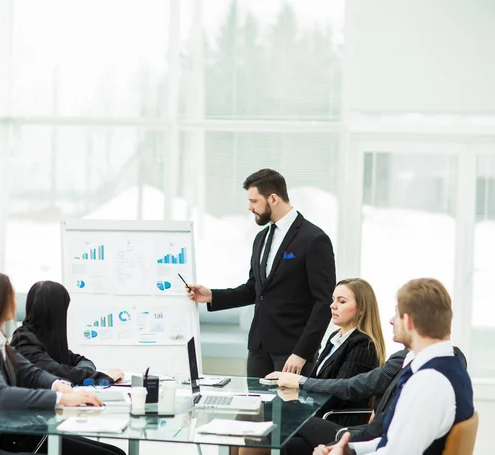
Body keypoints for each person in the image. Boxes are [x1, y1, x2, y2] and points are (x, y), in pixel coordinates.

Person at [0, 270, 125, 455]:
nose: (16, 302)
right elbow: (0, 394)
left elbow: (31, 371)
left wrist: (59, 385)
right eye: (12, 295)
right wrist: (61, 399)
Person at [187, 168, 336, 377]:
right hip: (258, 349)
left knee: (290, 410)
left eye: (254, 201)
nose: (249, 207)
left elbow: (324, 302)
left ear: (273, 198)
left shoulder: (314, 239)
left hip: (292, 352)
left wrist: (303, 352)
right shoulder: (261, 238)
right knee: (254, 409)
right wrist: (212, 295)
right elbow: (254, 289)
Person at [313, 278, 474, 455]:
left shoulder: (428, 382)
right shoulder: (449, 364)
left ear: (408, 321)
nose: (391, 321)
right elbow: (391, 443)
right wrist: (349, 450)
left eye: (397, 314)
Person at [267, 278, 386, 427]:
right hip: (316, 415)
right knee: (258, 417)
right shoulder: (335, 338)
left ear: (361, 309)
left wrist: (297, 383)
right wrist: (288, 383)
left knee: (267, 423)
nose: (332, 306)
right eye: (333, 300)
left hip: (335, 423)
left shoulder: (363, 345)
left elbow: (340, 395)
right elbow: (315, 381)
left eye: (341, 301)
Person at [11, 280, 123, 386]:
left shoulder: (46, 339)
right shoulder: (24, 341)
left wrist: (77, 373)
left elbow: (82, 362)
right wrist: (105, 377)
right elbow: (59, 373)